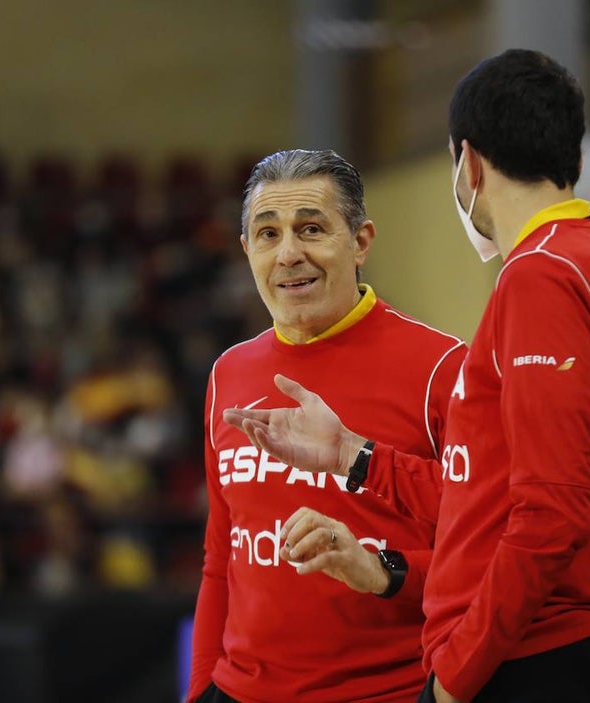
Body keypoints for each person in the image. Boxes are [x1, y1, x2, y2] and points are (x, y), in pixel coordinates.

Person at [225, 50, 590, 703]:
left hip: (532, 659)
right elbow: (485, 494)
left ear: (470, 163)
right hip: (570, 650)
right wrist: (352, 455)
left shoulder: (540, 277)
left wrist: (455, 676)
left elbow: (549, 513)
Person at [188, 149, 468, 703]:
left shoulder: (442, 369)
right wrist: (199, 691)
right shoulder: (229, 373)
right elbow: (222, 559)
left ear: (360, 241)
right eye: (267, 235)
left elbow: (488, 556)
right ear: (247, 251)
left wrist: (381, 568)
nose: (289, 253)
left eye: (311, 229)